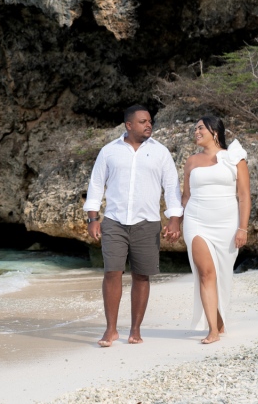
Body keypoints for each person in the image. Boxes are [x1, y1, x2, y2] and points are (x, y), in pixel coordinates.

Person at [84, 105, 183, 347]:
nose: (148, 125)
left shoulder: (160, 152)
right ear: (129, 125)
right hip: (114, 221)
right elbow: (96, 185)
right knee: (112, 273)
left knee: (141, 276)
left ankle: (135, 329)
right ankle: (111, 330)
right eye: (142, 121)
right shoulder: (109, 152)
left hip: (147, 223)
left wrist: (174, 219)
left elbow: (172, 188)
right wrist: (93, 219)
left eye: (150, 121)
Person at [181, 115, 251, 344]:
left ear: (215, 131)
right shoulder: (191, 161)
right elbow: (186, 197)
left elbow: (243, 196)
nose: (196, 131)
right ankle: (212, 329)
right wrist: (174, 221)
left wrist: (243, 228)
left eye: (200, 127)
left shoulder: (234, 157)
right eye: (195, 128)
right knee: (206, 272)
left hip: (227, 223)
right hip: (196, 221)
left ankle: (219, 321)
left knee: (221, 273)